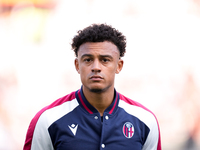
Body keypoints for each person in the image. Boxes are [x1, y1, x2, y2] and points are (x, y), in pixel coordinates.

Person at [23, 23, 161, 150]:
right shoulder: (48, 120)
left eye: (105, 60)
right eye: (88, 60)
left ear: (118, 66)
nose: (96, 67)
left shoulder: (145, 121)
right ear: (77, 65)